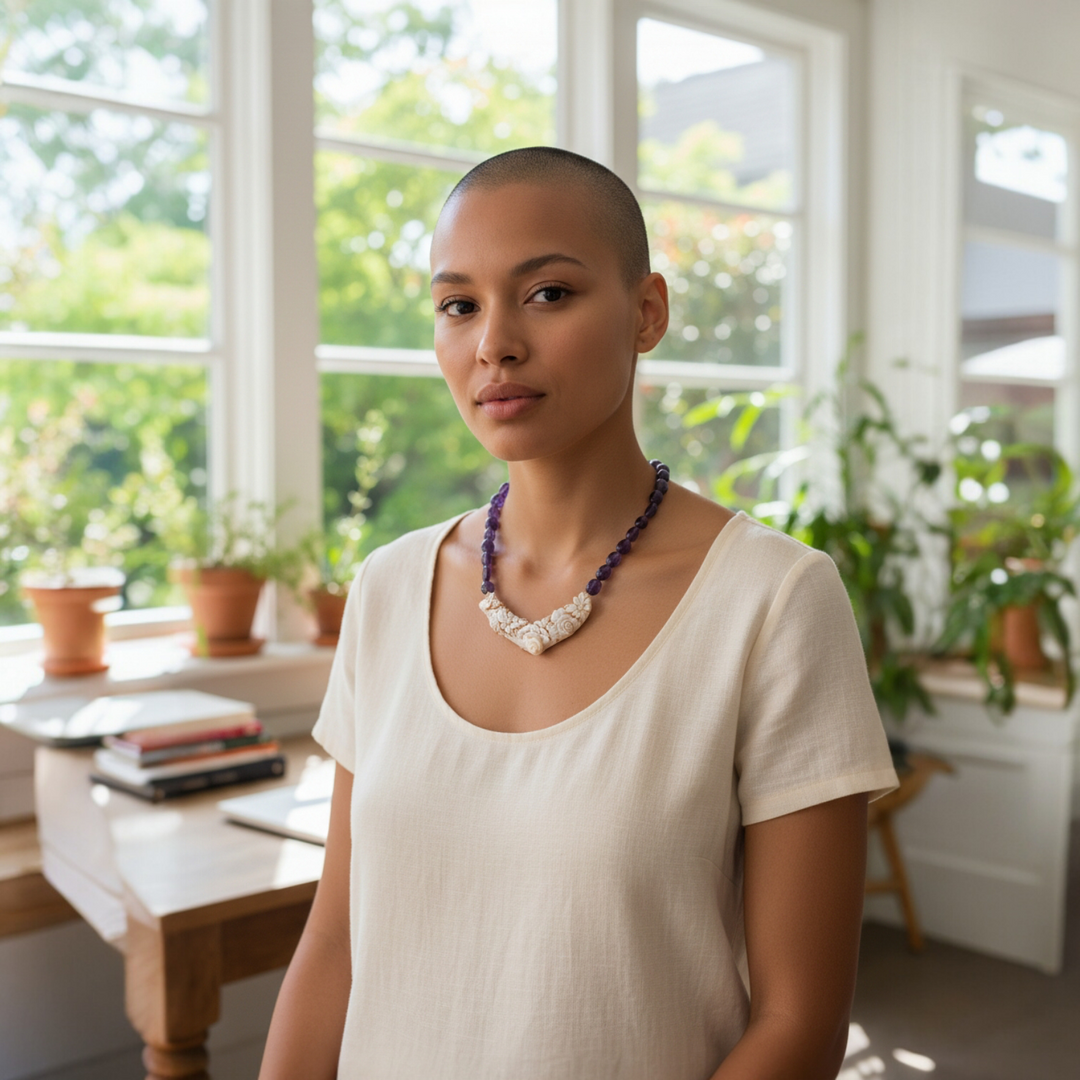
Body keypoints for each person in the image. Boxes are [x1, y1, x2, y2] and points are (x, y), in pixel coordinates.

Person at [260, 147, 898, 1080]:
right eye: (458, 305)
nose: (494, 344)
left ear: (648, 313)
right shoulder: (389, 587)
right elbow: (336, 943)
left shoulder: (774, 601)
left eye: (548, 294)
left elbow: (800, 1025)